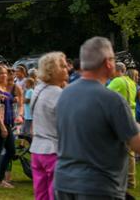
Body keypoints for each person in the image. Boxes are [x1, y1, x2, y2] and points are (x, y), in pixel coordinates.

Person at [54, 37, 140, 199]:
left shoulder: (65, 94)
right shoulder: (111, 99)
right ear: (108, 62)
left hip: (64, 183)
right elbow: (136, 143)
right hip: (98, 187)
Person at [30, 52, 68, 200]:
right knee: (56, 195)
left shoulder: (39, 89)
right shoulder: (58, 93)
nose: (67, 68)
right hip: (54, 150)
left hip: (37, 150)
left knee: (41, 194)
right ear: (52, 70)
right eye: (63, 66)